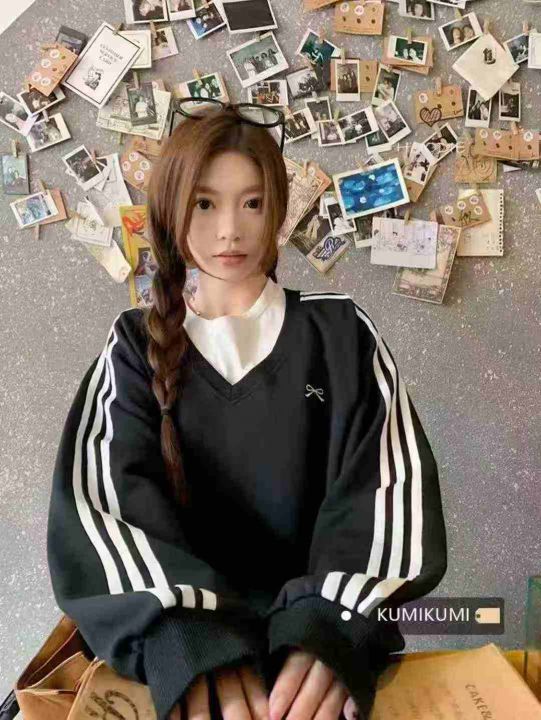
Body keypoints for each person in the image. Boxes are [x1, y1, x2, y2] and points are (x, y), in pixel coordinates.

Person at [47, 104, 447, 720]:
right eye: (205, 204)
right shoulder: (132, 346)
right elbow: (100, 513)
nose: (229, 230)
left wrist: (330, 630)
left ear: (278, 211)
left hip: (319, 669)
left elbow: (389, 494)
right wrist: (188, 638)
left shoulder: (341, 333)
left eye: (252, 203)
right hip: (191, 676)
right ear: (171, 210)